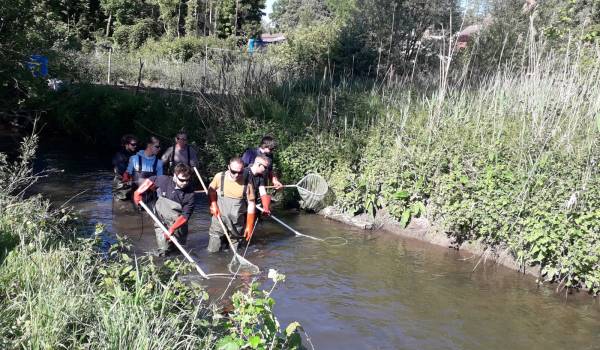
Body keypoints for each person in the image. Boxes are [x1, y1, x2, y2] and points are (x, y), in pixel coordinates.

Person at [133, 164, 195, 256]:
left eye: (187, 180)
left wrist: (172, 229)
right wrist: (138, 192)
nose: (185, 183)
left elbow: (185, 216)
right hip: (160, 221)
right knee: (164, 251)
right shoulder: (164, 180)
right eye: (182, 180)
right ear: (175, 175)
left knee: (178, 252)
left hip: (178, 226)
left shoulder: (190, 195)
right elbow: (151, 180)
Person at [206, 157, 256, 253]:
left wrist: (249, 225)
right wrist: (213, 204)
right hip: (219, 218)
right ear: (228, 167)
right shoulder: (219, 177)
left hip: (237, 221)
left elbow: (251, 204)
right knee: (214, 248)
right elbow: (211, 190)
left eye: (240, 172)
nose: (237, 175)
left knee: (236, 249)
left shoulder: (247, 183)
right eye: (234, 172)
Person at [111, 134, 137, 200]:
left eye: (136, 144)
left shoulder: (133, 154)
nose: (135, 146)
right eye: (133, 144)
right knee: (120, 205)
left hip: (130, 184)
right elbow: (122, 171)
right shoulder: (119, 155)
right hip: (121, 187)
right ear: (126, 144)